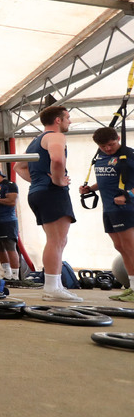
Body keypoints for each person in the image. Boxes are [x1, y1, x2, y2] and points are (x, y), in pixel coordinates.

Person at [14, 105, 81, 302]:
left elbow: (19, 167)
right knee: (56, 240)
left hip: (39, 193)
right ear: (58, 120)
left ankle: (56, 284)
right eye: (67, 118)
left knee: (59, 240)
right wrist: (58, 180)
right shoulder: (56, 137)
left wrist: (38, 181)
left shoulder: (36, 141)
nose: (70, 121)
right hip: (52, 192)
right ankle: (51, 287)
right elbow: (58, 160)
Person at [79, 127, 134, 302]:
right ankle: (131, 287)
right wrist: (90, 188)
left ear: (118, 138)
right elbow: (106, 177)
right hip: (108, 209)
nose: (108, 149)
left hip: (126, 209)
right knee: (121, 248)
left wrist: (128, 195)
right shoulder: (100, 156)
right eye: (104, 146)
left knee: (131, 248)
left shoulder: (129, 155)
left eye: (111, 144)